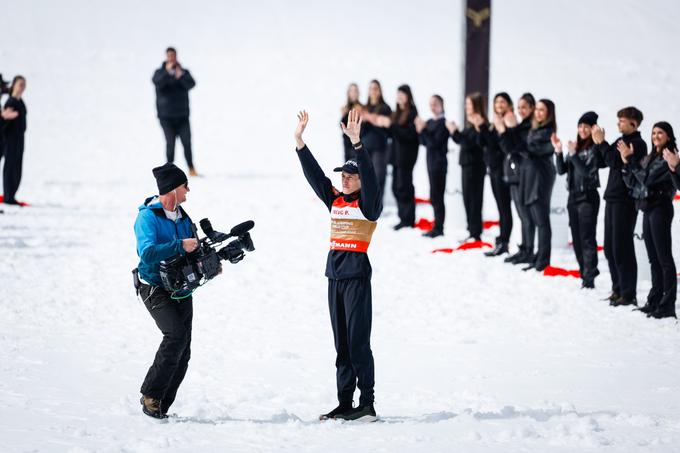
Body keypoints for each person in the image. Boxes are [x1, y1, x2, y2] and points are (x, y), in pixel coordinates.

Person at [294, 109, 381, 422]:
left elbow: (371, 181)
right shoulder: (335, 201)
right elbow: (317, 177)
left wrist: (358, 145)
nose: (343, 180)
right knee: (341, 346)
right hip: (335, 279)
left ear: (359, 180)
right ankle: (345, 402)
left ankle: (367, 403)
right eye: (342, 176)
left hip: (357, 279)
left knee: (359, 344)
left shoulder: (368, 205)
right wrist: (300, 143)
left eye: (349, 176)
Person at [133, 163, 197, 419]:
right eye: (184, 186)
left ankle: (162, 406)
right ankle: (150, 395)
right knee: (175, 336)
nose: (188, 191)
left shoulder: (183, 216)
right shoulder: (147, 217)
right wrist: (180, 245)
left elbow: (194, 248)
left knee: (184, 348)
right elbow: (146, 253)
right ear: (171, 189)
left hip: (181, 287)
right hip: (153, 287)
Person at [592, 107, 647, 306]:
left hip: (626, 200)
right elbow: (603, 162)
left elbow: (615, 161)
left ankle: (628, 293)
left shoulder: (639, 144)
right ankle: (617, 289)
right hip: (612, 198)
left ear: (634, 123)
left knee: (622, 247)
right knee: (609, 248)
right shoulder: (620, 141)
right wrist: (598, 143)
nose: (618, 124)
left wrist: (603, 144)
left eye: (622, 121)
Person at [621, 122, 677, 319]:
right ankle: (655, 300)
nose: (655, 136)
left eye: (660, 133)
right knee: (653, 259)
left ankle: (668, 304)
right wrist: (627, 164)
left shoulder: (668, 156)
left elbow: (647, 179)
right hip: (647, 208)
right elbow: (632, 181)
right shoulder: (650, 157)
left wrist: (631, 161)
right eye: (653, 133)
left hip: (660, 208)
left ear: (668, 136)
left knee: (664, 259)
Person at [552, 111, 601, 288]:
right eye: (580, 126)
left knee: (587, 238)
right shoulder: (576, 147)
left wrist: (572, 155)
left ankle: (589, 276)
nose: (582, 130)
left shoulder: (595, 148)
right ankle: (585, 271)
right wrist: (558, 152)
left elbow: (587, 172)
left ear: (592, 128)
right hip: (572, 197)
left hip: (587, 197)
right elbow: (561, 170)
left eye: (586, 126)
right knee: (577, 239)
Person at [499, 93, 536, 264]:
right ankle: (525, 248)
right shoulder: (522, 125)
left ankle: (528, 250)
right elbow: (508, 147)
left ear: (532, 108)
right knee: (522, 215)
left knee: (526, 215)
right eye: (519, 107)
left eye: (524, 107)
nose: (521, 110)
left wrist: (509, 130)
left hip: (524, 176)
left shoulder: (529, 126)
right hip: (515, 175)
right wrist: (505, 131)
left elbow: (517, 148)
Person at [521, 99, 557, 272]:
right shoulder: (534, 130)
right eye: (537, 109)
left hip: (542, 177)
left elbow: (534, 151)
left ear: (549, 113)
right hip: (531, 176)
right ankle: (538, 255)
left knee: (542, 219)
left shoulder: (548, 132)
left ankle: (543, 258)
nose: (538, 113)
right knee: (535, 218)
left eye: (543, 110)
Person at [152, 47, 198, 176]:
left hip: (182, 115)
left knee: (187, 143)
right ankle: (169, 171)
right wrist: (167, 73)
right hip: (166, 117)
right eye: (169, 55)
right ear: (166, 57)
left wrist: (180, 76)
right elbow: (158, 83)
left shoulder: (183, 72)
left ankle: (191, 168)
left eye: (173, 55)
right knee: (170, 144)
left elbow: (192, 84)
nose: (172, 58)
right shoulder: (159, 73)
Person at [448, 92, 487, 242]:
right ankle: (471, 230)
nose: (467, 107)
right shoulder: (470, 122)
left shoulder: (480, 122)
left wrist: (455, 132)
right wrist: (454, 131)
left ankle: (476, 232)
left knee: (474, 200)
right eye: (466, 104)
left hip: (475, 166)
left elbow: (474, 142)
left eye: (469, 104)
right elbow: (462, 140)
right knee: (467, 199)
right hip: (466, 165)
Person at [479, 92, 514, 255]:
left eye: (502, 102)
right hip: (493, 170)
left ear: (508, 105)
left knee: (504, 207)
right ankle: (502, 239)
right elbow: (486, 144)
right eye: (496, 102)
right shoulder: (496, 122)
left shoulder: (508, 121)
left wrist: (498, 130)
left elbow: (504, 146)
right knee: (501, 208)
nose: (499, 105)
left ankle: (504, 242)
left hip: (503, 171)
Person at [415, 94, 449, 238]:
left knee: (437, 195)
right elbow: (423, 142)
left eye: (435, 103)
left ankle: (439, 227)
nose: (433, 106)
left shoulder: (444, 123)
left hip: (439, 164)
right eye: (431, 104)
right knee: (433, 195)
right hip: (430, 163)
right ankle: (436, 225)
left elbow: (434, 143)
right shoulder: (429, 122)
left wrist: (423, 130)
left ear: (441, 105)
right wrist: (420, 130)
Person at [388, 85, 419, 230]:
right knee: (396, 187)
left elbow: (409, 135)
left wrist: (392, 126)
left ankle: (408, 219)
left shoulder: (412, 113)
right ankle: (403, 217)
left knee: (405, 187)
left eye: (403, 94)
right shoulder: (396, 113)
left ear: (408, 96)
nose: (400, 97)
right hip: (395, 156)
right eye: (398, 94)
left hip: (406, 156)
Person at [359, 80, 392, 198]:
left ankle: (378, 204)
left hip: (380, 148)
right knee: (364, 177)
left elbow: (388, 130)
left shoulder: (385, 108)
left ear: (380, 91)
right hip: (365, 148)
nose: (373, 91)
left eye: (376, 88)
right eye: (371, 88)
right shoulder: (363, 108)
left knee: (379, 176)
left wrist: (370, 118)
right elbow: (360, 131)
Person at [2, 76, 27, 205]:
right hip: (10, 140)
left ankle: (11, 195)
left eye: (24, 85)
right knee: (10, 168)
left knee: (17, 168)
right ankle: (8, 196)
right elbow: (4, 124)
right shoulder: (10, 102)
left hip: (19, 140)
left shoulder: (20, 102)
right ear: (14, 85)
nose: (22, 87)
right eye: (20, 84)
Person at [341, 83, 363, 161]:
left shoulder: (361, 108)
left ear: (358, 93)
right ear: (348, 93)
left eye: (355, 91)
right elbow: (342, 126)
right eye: (351, 91)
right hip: (347, 143)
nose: (353, 93)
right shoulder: (345, 109)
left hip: (357, 143)